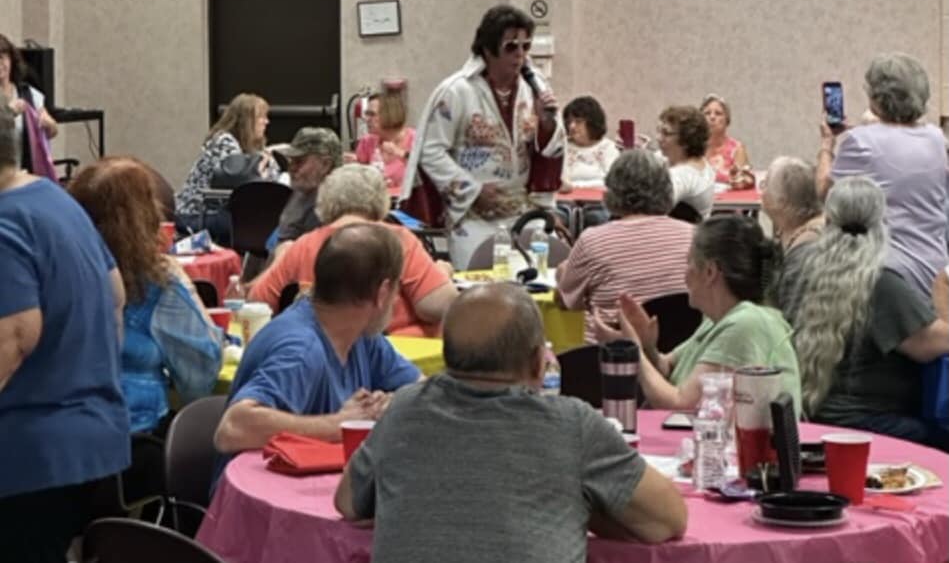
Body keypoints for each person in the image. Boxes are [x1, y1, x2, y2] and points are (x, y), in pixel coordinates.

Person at [334, 283, 687, 562]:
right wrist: (582, 504)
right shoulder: (571, 425)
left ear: (445, 359)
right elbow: (669, 520)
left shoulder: (404, 410)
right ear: (538, 364)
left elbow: (348, 502)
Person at [0, 106, 129, 562]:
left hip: (30, 454)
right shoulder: (56, 200)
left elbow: (13, 338)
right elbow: (116, 298)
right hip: (93, 440)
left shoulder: (4, 223)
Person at [213, 224, 423, 480]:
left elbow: (421, 391)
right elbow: (233, 428)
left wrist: (394, 404)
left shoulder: (362, 336)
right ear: (382, 293)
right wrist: (337, 425)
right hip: (262, 504)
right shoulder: (302, 349)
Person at [781, 177, 949, 449]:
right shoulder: (881, 283)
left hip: (808, 416)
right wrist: (943, 293)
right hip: (873, 423)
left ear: (827, 220)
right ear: (881, 223)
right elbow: (929, 345)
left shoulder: (796, 269)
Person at [400, 4, 565, 269]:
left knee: (544, 279)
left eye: (526, 46)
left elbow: (550, 148)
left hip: (524, 210)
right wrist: (472, 189)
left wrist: (547, 125)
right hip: (473, 216)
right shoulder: (456, 92)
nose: (520, 55)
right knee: (482, 290)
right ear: (488, 50)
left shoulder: (534, 89)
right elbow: (430, 151)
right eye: (511, 47)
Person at [69, 157, 223, 434]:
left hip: (60, 432)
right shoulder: (159, 280)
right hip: (134, 432)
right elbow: (200, 375)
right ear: (145, 216)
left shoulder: (54, 269)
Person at [595, 215, 801, 413]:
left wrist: (632, 351)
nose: (685, 275)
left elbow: (682, 404)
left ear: (710, 272)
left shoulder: (747, 324)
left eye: (689, 263)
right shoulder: (718, 320)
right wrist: (647, 347)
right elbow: (667, 368)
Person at [249, 164, 457, 337]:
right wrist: (442, 275)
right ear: (379, 199)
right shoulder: (399, 240)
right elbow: (434, 306)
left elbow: (257, 303)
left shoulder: (303, 245)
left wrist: (279, 259)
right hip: (399, 356)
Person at [816, 52, 948, 297]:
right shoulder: (936, 138)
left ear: (877, 98)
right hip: (937, 266)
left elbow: (824, 192)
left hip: (892, 273)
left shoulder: (861, 141)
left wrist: (827, 143)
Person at [556, 150, 693, 343]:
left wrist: (563, 272)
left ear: (612, 191)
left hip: (608, 357)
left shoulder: (593, 241)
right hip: (679, 353)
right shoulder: (695, 237)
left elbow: (566, 301)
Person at [174, 92, 281, 242]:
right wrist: (263, 165)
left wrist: (267, 163)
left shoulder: (249, 146)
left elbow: (271, 176)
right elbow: (244, 184)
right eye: (261, 117)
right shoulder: (224, 141)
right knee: (256, 224)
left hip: (217, 212)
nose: (266, 122)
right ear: (246, 121)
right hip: (195, 215)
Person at [761, 156, 824, 316]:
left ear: (781, 202)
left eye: (765, 185)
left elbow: (792, 315)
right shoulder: (797, 231)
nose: (761, 191)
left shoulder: (805, 250)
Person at [273, 127, 342, 258]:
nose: (291, 168)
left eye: (299, 161)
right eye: (291, 161)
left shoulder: (328, 204)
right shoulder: (303, 190)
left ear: (325, 164)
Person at [0, 33, 58, 173]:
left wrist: (49, 124)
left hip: (25, 175)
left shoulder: (29, 94)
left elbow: (51, 132)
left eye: (3, 57)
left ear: (11, 60)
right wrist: (8, 113)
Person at [657, 105, 715, 218]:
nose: (658, 138)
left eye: (666, 133)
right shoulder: (674, 158)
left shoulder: (685, 176)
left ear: (686, 140)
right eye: (659, 131)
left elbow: (654, 207)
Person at [354, 91, 415, 188]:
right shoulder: (367, 142)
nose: (366, 119)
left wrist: (400, 153)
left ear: (390, 115)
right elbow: (359, 182)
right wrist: (353, 166)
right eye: (367, 114)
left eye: (372, 114)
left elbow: (427, 173)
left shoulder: (415, 140)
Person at [559, 95, 620, 191]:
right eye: (569, 122)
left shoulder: (608, 148)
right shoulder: (562, 147)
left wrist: (574, 187)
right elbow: (559, 181)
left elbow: (612, 183)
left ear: (592, 123)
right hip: (565, 202)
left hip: (599, 202)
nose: (572, 126)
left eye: (578, 122)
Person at [700, 94, 749, 183]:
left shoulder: (737, 149)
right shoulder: (694, 148)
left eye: (718, 113)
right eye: (707, 113)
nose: (712, 117)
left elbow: (741, 183)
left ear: (727, 120)